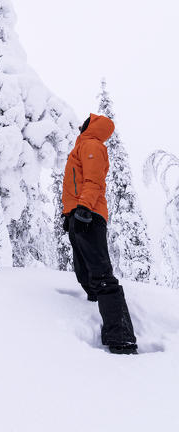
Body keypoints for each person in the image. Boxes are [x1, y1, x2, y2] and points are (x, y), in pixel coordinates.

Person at [62, 113, 138, 355]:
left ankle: (122, 338)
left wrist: (84, 208)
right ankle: (94, 315)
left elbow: (93, 180)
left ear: (93, 126)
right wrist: (70, 213)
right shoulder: (83, 145)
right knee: (84, 272)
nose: (82, 123)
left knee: (101, 274)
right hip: (79, 213)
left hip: (90, 214)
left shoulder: (92, 144)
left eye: (87, 120)